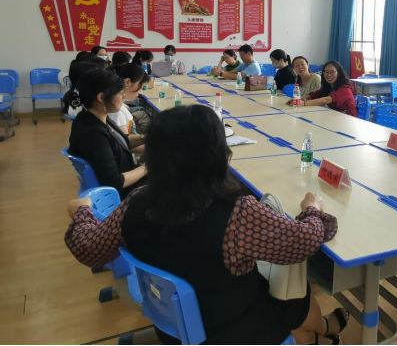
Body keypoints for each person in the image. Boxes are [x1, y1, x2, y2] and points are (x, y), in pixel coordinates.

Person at [64, 105, 350, 345]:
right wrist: (312, 210)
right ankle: (325, 329)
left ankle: (318, 333)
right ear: (217, 152)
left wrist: (82, 212)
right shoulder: (238, 212)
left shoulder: (135, 202)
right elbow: (303, 242)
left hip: (173, 326)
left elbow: (88, 249)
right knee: (294, 294)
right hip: (231, 330)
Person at [67, 69, 147, 198]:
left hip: (128, 179)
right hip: (125, 192)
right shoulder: (92, 135)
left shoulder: (93, 117)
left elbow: (119, 141)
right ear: (101, 97)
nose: (123, 97)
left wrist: (147, 138)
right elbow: (115, 182)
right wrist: (148, 167)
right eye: (120, 93)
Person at [289, 61, 357, 117]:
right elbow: (313, 95)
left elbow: (327, 99)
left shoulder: (345, 88)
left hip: (348, 118)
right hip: (335, 116)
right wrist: (298, 99)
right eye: (326, 72)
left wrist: (303, 103)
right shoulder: (329, 86)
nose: (329, 75)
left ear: (338, 73)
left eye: (332, 72)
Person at [109, 63, 152, 135]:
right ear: (127, 82)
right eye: (139, 86)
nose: (140, 92)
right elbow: (126, 140)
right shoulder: (116, 110)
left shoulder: (116, 103)